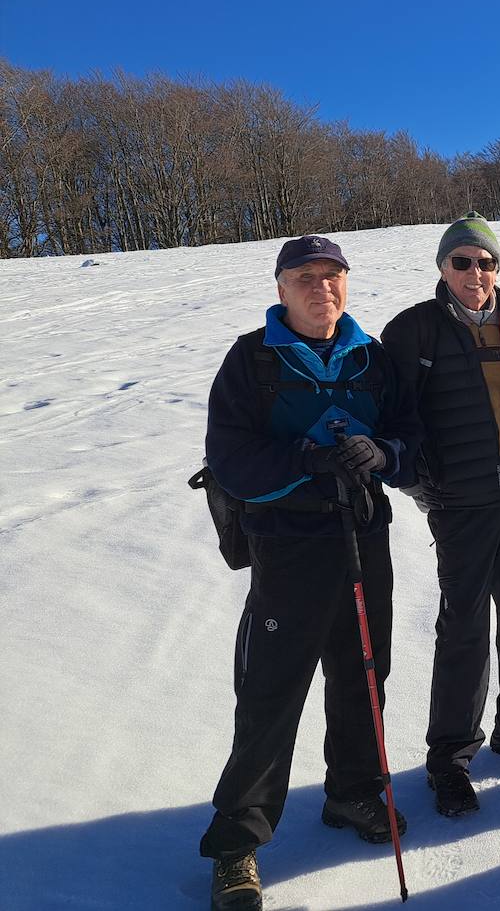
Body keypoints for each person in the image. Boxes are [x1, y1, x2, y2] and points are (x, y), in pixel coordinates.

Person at [199, 235, 421, 911]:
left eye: (331, 274)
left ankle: (353, 790)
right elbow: (229, 457)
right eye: (304, 276)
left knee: (362, 672)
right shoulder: (253, 360)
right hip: (287, 544)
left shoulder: (372, 357)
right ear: (281, 288)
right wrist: (306, 459)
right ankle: (237, 843)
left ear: (346, 284)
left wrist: (379, 452)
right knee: (271, 689)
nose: (320, 285)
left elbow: (412, 439)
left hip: (362, 536)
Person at [380, 211, 500, 818]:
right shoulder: (412, 332)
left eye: (485, 262)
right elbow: (396, 422)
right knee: (463, 627)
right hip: (461, 504)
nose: (474, 272)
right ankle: (450, 756)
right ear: (442, 267)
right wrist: (425, 488)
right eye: (462, 261)